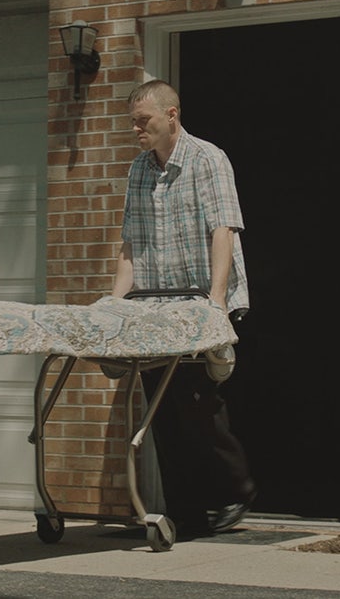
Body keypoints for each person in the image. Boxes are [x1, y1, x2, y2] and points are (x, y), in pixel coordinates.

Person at [111, 79, 256, 538]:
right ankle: (185, 513)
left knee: (197, 406)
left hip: (200, 304)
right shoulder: (138, 170)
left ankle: (236, 488)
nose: (137, 129)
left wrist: (214, 302)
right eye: (133, 122)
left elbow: (224, 230)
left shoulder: (208, 159)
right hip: (156, 311)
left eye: (144, 121)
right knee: (160, 414)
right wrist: (114, 307)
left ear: (171, 115)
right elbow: (131, 243)